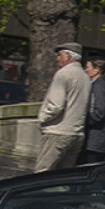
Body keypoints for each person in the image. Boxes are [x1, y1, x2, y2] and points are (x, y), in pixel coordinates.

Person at [35, 42, 91, 172]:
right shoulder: (86, 77)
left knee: (41, 173)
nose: (57, 59)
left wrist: (42, 119)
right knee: (64, 175)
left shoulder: (63, 74)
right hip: (77, 133)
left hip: (58, 131)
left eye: (60, 55)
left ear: (68, 56)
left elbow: (55, 106)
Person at [80, 57, 105, 163]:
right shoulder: (103, 85)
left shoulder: (99, 86)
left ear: (97, 70)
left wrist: (84, 121)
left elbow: (99, 112)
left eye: (88, 67)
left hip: (96, 139)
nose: (85, 70)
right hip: (100, 140)